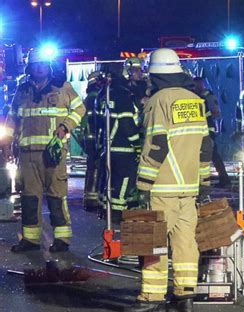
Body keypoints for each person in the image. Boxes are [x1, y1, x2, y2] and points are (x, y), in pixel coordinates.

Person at [124, 48, 212, 312]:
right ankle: (185, 297)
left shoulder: (158, 101)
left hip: (162, 187)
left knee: (154, 244)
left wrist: (142, 185)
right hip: (189, 187)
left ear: (156, 75)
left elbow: (156, 146)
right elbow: (206, 146)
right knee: (186, 243)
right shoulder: (194, 99)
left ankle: (151, 299)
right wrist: (203, 182)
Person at [1, 48, 85, 253]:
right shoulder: (22, 90)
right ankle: (31, 239)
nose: (38, 68)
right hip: (28, 154)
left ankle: (62, 239)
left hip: (53, 154)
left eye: (42, 64)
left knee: (57, 196)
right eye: (35, 64)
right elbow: (12, 119)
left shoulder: (62, 88)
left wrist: (65, 127)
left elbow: (80, 109)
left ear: (48, 66)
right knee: (30, 197)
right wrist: (6, 144)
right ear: (29, 67)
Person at [98, 58, 143, 223]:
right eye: (137, 70)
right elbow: (127, 123)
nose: (141, 74)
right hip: (124, 148)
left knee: (112, 183)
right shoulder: (123, 94)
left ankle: (109, 210)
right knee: (124, 182)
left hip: (110, 147)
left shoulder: (110, 92)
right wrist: (137, 145)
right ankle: (116, 215)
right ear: (128, 72)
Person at [193, 76, 231, 187]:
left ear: (201, 84)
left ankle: (224, 179)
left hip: (208, 130)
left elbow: (216, 113)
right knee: (211, 155)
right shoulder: (198, 97)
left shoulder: (207, 97)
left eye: (196, 85)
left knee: (213, 155)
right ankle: (222, 179)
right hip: (201, 130)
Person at [83, 71, 105, 212]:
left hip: (89, 138)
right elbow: (97, 121)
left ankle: (90, 198)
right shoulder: (94, 98)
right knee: (95, 168)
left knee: (92, 168)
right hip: (95, 138)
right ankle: (93, 199)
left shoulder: (88, 98)